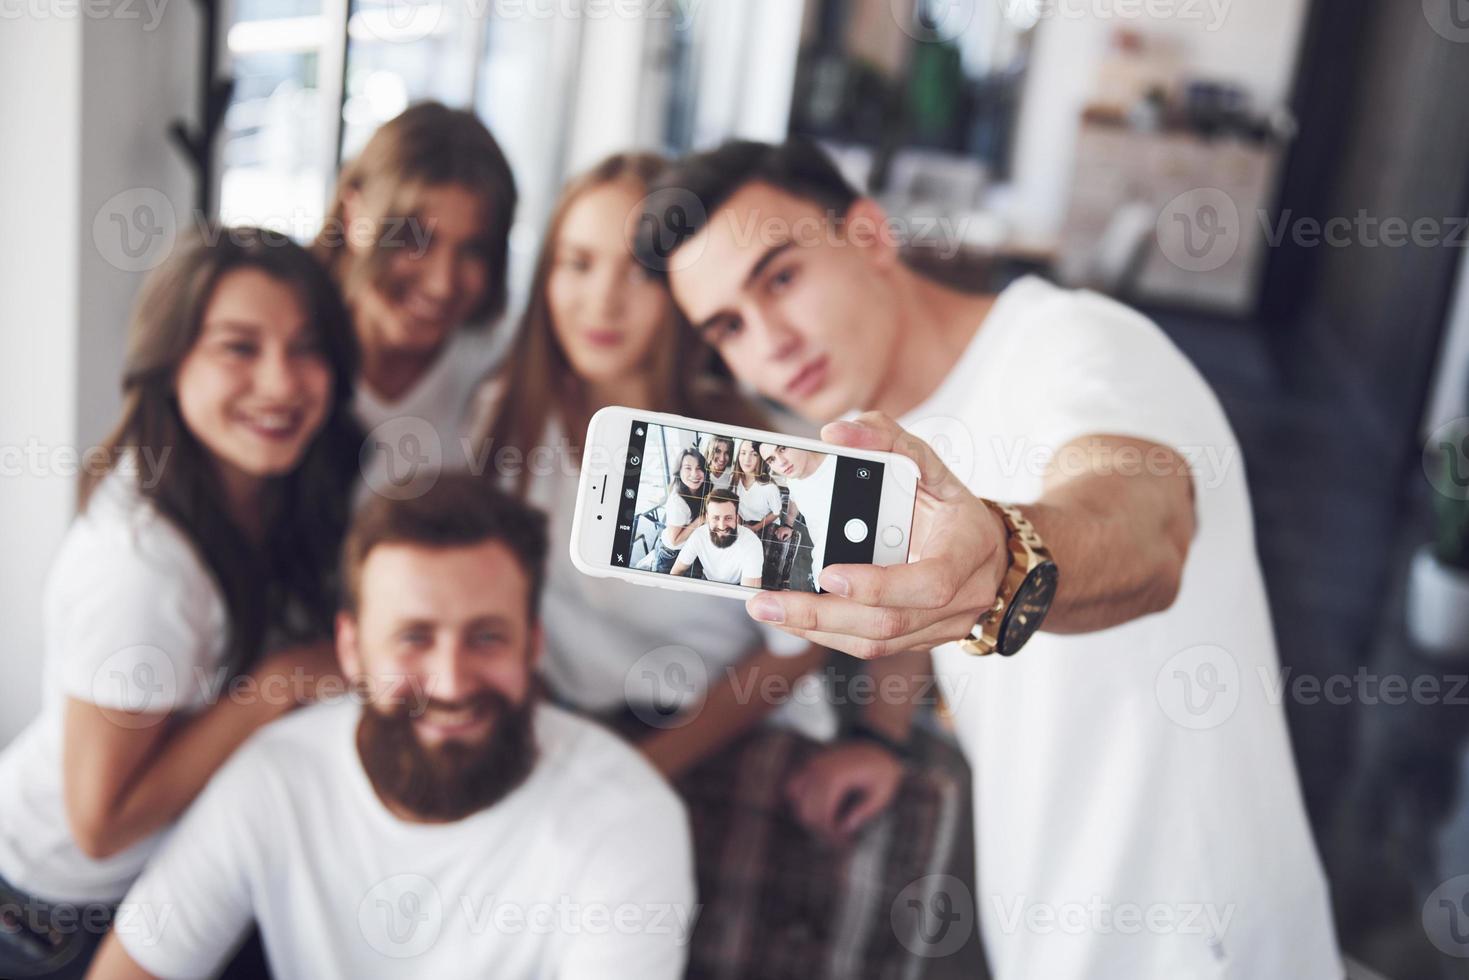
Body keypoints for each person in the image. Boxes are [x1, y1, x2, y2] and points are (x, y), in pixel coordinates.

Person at [637, 138, 1341, 978]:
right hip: (1046, 927)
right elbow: (930, 573)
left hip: (1196, 941)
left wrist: (1005, 559)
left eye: (780, 278)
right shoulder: (876, 441)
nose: (770, 345)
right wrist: (881, 733)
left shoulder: (1075, 348)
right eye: (728, 327)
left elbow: (1143, 525)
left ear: (867, 236)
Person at [470, 152, 953, 978]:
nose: (600, 301)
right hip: (564, 735)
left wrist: (880, 736)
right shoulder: (500, 420)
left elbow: (812, 636)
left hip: (719, 738)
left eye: (633, 272)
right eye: (575, 264)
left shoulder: (749, 443)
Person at [86, 475, 697, 980]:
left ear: (532, 646)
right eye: (414, 638)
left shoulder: (625, 814)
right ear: (351, 650)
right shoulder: (276, 778)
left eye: (487, 637)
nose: (452, 682)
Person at [0, 228, 359, 979]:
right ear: (171, 362)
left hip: (170, 865)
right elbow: (99, 826)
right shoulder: (141, 565)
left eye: (306, 347)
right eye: (238, 347)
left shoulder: (274, 486)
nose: (281, 382)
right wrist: (280, 686)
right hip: (55, 908)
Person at [313, 101, 517, 491]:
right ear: (354, 215)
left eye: (474, 249)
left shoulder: (499, 368)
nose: (443, 283)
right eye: (416, 240)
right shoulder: (281, 351)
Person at [758, 441, 835, 584]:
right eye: (772, 459)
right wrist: (788, 524)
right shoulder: (792, 479)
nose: (781, 462)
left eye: (782, 448)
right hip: (822, 575)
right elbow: (794, 497)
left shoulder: (836, 459)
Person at [671, 489, 763, 587]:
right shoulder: (698, 536)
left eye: (728, 518)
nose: (722, 526)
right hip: (707, 582)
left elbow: (748, 592)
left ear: (736, 518)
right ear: (707, 518)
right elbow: (676, 571)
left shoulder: (752, 543)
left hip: (737, 587)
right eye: (716, 518)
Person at [652, 447, 709, 573]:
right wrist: (701, 519)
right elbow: (675, 540)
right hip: (670, 553)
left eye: (699, 468)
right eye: (688, 468)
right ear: (679, 470)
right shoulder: (677, 501)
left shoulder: (701, 489)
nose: (694, 474)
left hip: (688, 549)